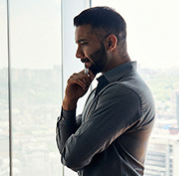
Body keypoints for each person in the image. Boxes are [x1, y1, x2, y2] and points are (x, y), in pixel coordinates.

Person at [56, 6, 155, 176]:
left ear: (110, 43)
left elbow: (72, 158)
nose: (78, 54)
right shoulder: (104, 88)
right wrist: (69, 102)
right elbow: (69, 148)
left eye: (84, 44)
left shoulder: (123, 93)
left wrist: (69, 107)